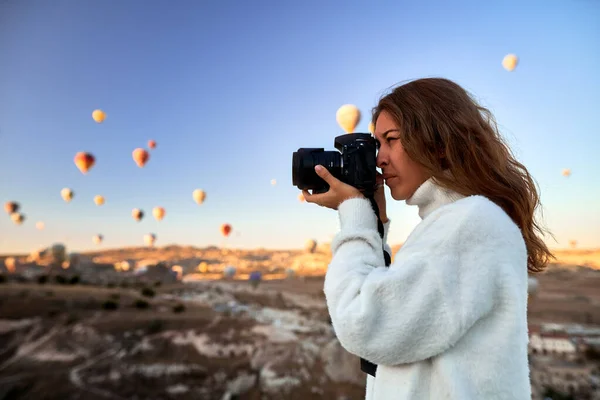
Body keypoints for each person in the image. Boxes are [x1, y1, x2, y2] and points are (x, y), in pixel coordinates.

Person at [302, 77, 554, 400]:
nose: (379, 158)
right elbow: (393, 311)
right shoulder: (449, 225)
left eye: (391, 140)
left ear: (436, 138)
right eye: (377, 144)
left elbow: (361, 321)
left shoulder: (473, 224)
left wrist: (353, 216)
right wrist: (375, 223)